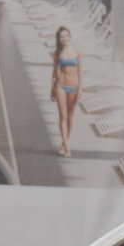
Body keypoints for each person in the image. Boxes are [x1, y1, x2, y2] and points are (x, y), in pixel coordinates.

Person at [50, 25, 81, 158]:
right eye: (62, 36)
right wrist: (52, 89)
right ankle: (67, 147)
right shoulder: (57, 53)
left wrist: (81, 89)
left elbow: (80, 72)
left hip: (73, 86)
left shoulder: (77, 52)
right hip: (61, 85)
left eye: (66, 36)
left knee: (70, 115)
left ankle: (64, 142)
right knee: (63, 115)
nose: (64, 38)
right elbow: (54, 72)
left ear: (70, 37)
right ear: (59, 39)